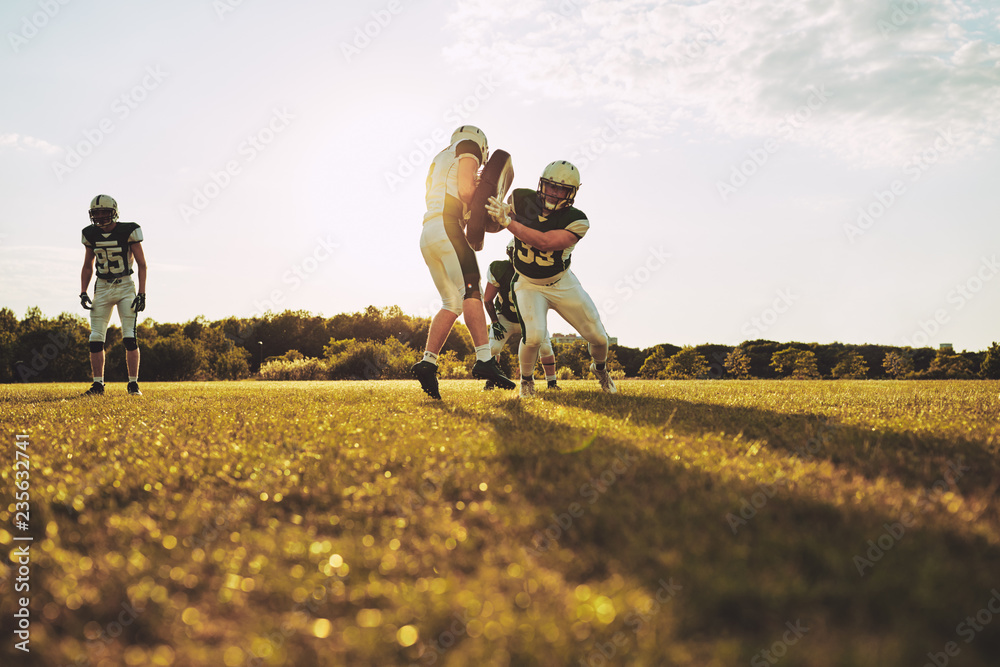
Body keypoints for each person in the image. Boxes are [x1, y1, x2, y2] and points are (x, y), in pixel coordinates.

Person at [486, 160, 616, 397]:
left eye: (562, 190)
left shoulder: (577, 220)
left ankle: (600, 370)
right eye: (551, 187)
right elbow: (491, 221)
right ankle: (527, 381)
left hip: (561, 283)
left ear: (572, 194)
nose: (555, 194)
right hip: (527, 283)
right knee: (533, 337)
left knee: (599, 338)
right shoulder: (520, 199)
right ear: (542, 184)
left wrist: (508, 222)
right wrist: (489, 211)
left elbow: (545, 242)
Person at [412, 125, 516, 399]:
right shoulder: (468, 145)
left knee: (452, 303)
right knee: (472, 291)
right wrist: (493, 209)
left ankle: (427, 362)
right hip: (448, 226)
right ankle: (484, 359)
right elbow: (467, 190)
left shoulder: (440, 157)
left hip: (428, 234)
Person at [79, 194, 147, 396]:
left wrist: (142, 292)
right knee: (95, 337)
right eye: (96, 212)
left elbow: (142, 264)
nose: (100, 216)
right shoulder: (90, 234)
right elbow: (87, 265)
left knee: (129, 337)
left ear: (114, 212)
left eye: (104, 212)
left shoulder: (129, 230)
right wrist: (83, 291)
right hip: (102, 286)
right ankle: (98, 384)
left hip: (125, 285)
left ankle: (133, 384)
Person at [483, 242, 560, 390]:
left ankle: (552, 383)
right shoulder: (500, 269)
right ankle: (490, 382)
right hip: (505, 317)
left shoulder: (538, 271)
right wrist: (494, 322)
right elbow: (487, 299)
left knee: (545, 347)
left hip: (529, 318)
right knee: (493, 347)